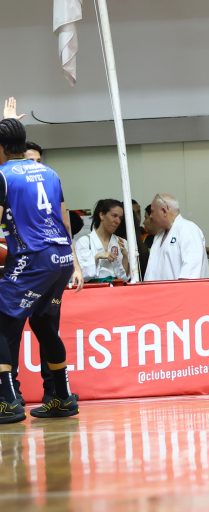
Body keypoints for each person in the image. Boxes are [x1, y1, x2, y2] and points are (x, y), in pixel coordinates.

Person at [0, 118, 83, 423]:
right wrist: (74, 262)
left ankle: (7, 401)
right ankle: (62, 397)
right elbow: (64, 220)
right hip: (60, 256)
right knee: (44, 324)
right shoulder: (49, 172)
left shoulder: (3, 176)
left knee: (2, 322)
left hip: (32, 258)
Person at [144, 193, 209, 281]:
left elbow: (189, 275)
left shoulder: (188, 229)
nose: (151, 216)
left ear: (164, 211)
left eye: (152, 211)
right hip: (159, 289)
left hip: (184, 289)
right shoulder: (158, 236)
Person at [75, 199, 129, 283]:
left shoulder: (122, 242)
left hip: (117, 289)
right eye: (114, 216)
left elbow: (125, 279)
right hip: (93, 289)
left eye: (120, 218)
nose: (118, 221)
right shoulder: (84, 242)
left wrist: (125, 256)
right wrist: (97, 257)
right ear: (102, 215)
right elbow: (81, 275)